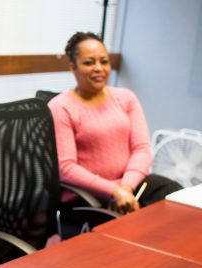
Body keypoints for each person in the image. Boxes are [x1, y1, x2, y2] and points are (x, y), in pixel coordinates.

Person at [48, 31, 182, 215]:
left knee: (173, 194)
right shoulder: (60, 107)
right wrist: (114, 191)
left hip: (130, 186)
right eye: (89, 62)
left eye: (104, 61)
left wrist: (126, 187)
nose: (98, 68)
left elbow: (141, 149)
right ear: (73, 67)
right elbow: (66, 168)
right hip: (88, 196)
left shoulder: (126, 98)